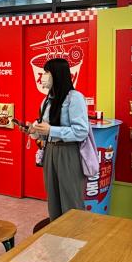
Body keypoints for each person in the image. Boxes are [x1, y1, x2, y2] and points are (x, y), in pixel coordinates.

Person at [29, 58, 89, 220]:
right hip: (50, 151)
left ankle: (74, 240)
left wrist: (52, 129)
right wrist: (34, 131)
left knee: (71, 200)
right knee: (53, 200)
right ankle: (57, 238)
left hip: (68, 153)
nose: (43, 76)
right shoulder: (47, 100)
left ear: (58, 74)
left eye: (47, 72)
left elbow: (81, 131)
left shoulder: (74, 98)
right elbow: (44, 130)